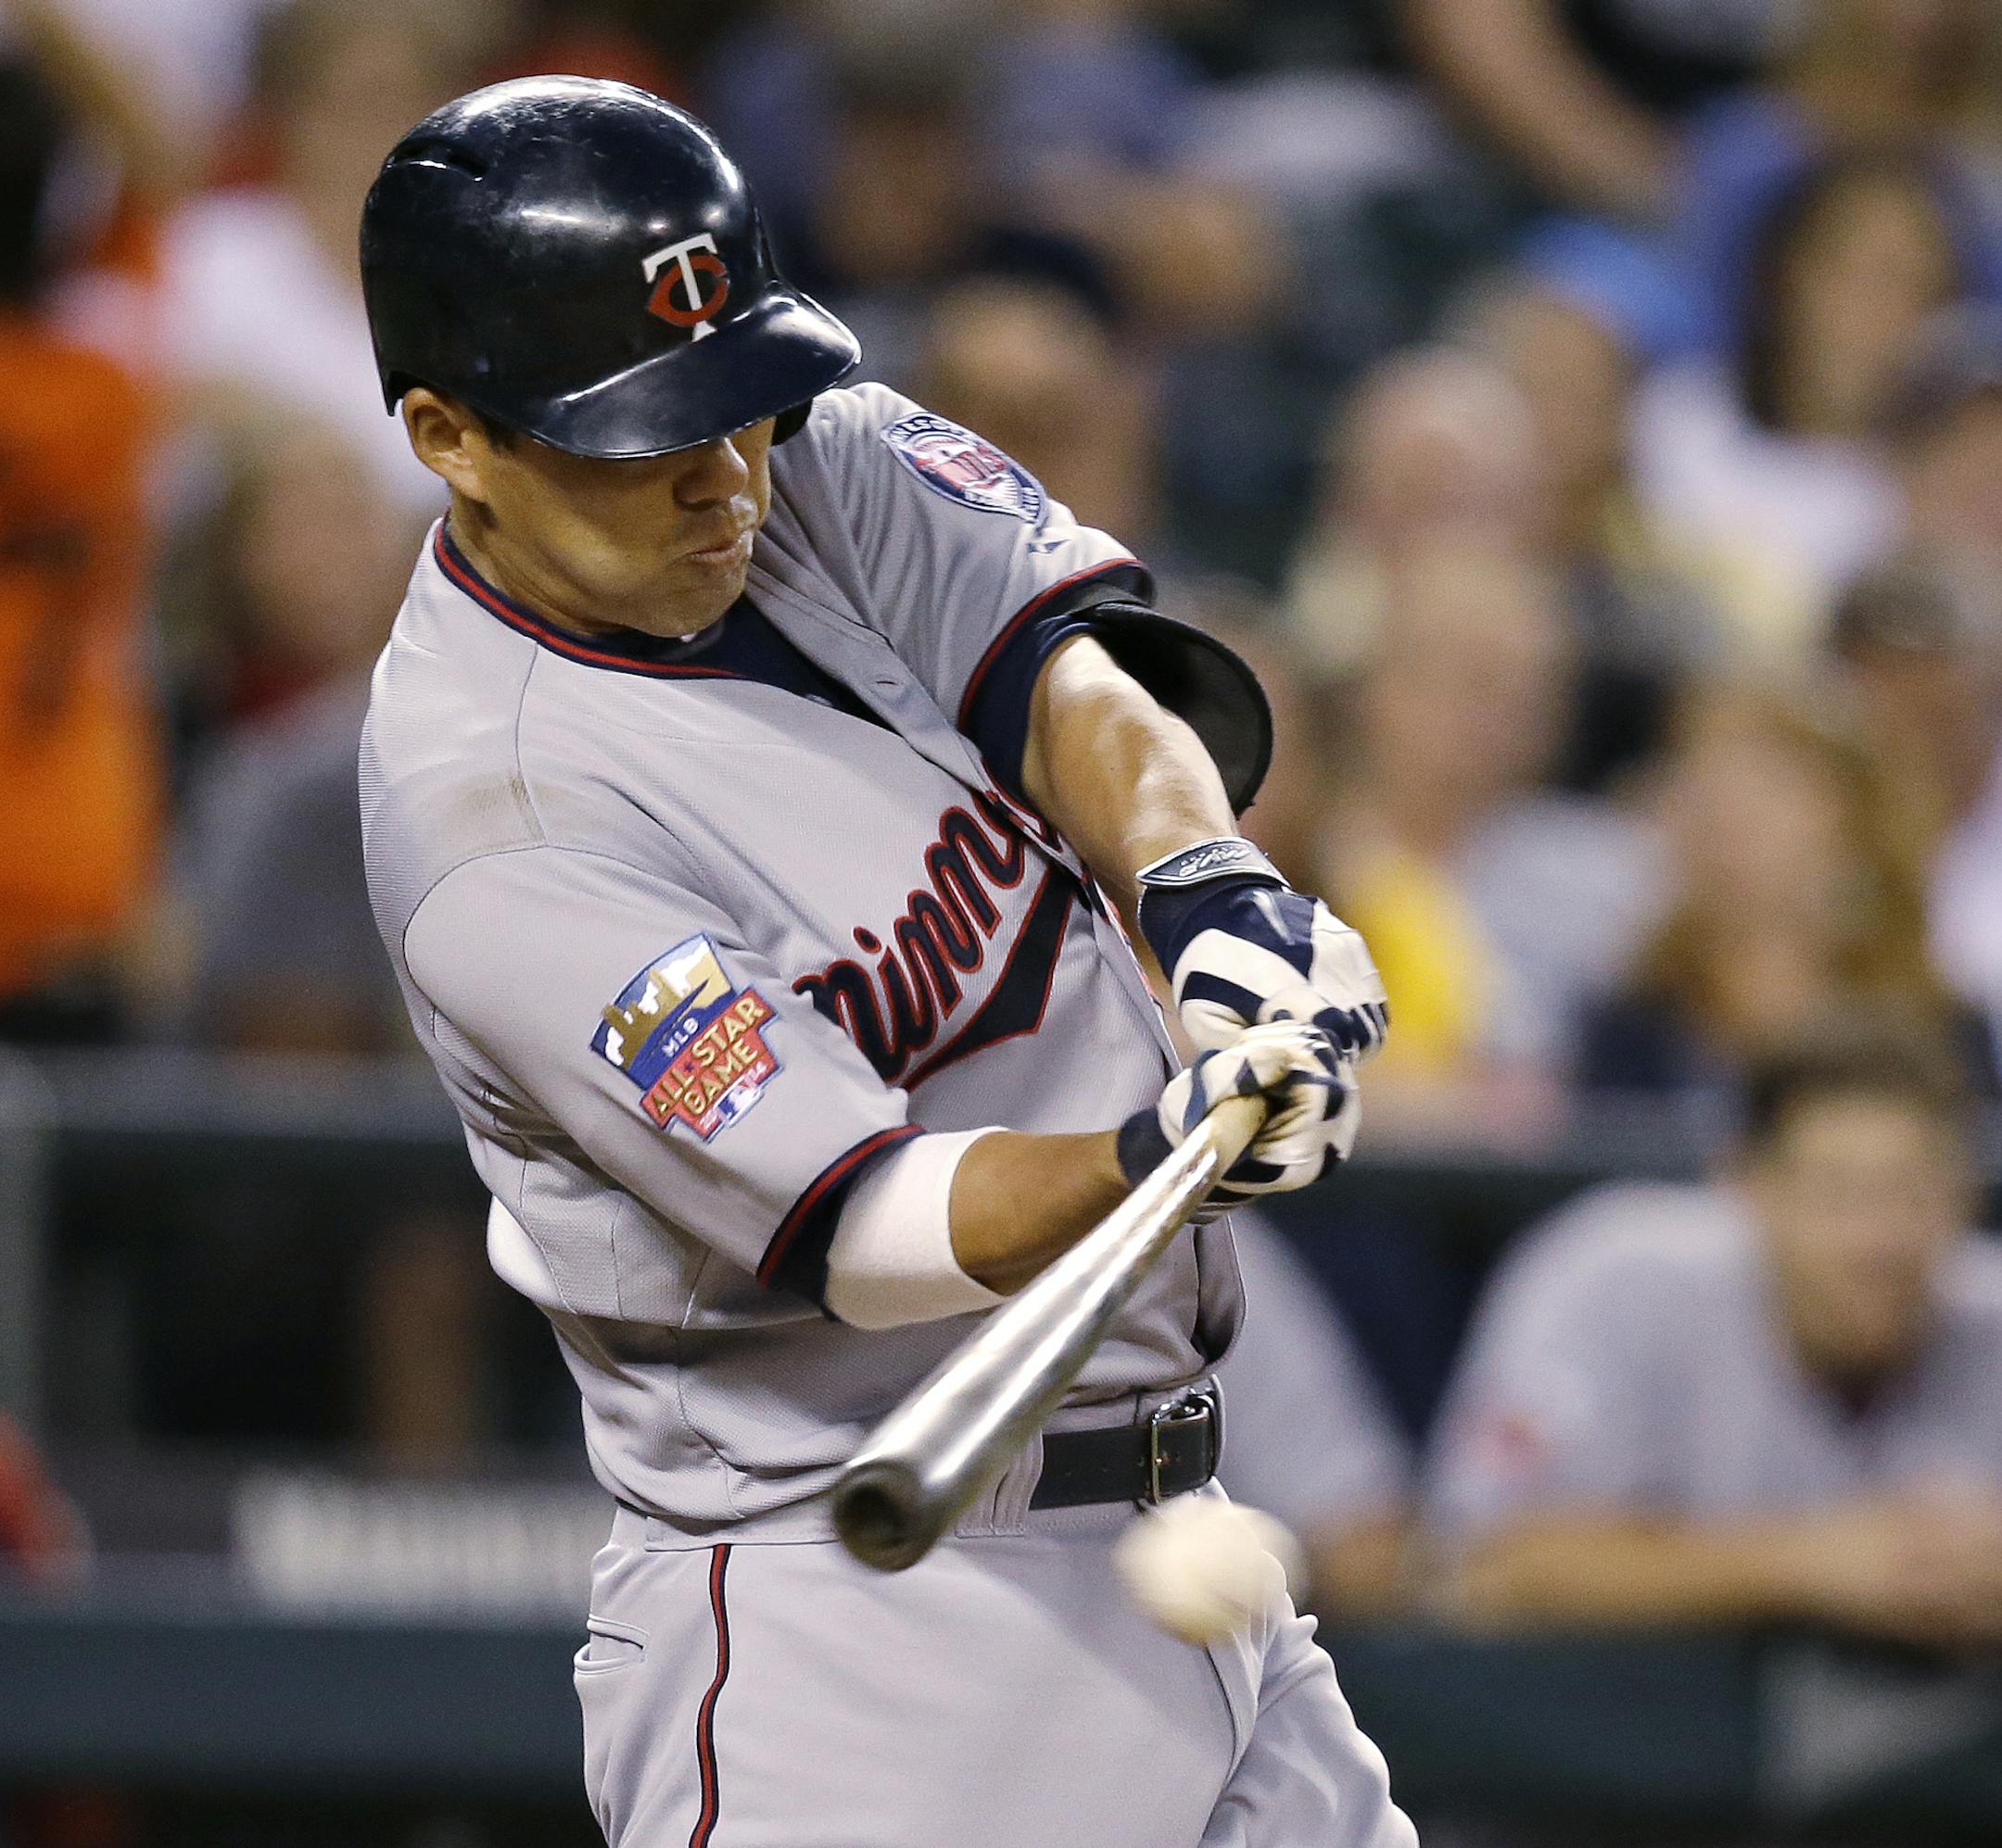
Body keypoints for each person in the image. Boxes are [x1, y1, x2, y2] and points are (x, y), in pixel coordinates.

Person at [357, 78, 1411, 1848]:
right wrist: (1167, 1148)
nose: (723, 476)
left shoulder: (788, 449)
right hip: (870, 1627)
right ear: (453, 435)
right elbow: (872, 1229)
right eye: (640, 436)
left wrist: (1217, 903)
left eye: (739, 404)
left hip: (1183, 1542)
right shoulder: (499, 820)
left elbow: (1072, 685)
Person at [1423, 1015, 2002, 1647]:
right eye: (1836, 1192)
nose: (1879, 1238)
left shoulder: (1986, 1314)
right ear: (1747, 1184)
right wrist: (1808, 1562)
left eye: (1913, 1191)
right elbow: (1481, 1569)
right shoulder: (1617, 1272)